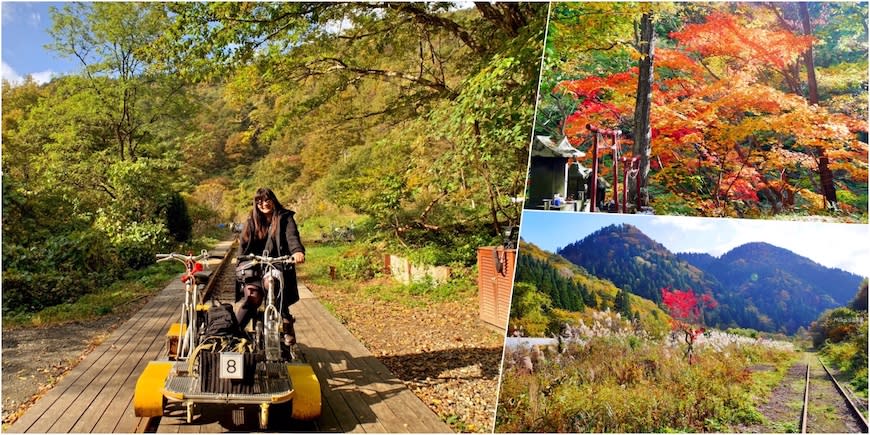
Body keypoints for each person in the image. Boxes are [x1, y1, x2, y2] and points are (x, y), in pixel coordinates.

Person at [236, 187, 306, 354]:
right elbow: (243, 245)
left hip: (276, 264)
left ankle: (285, 319)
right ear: (256, 204)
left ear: (273, 200)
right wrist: (241, 262)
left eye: (267, 200)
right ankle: (233, 331)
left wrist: (297, 251)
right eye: (259, 201)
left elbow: (292, 236)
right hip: (254, 265)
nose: (264, 204)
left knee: (272, 284)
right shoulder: (252, 220)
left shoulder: (285, 218)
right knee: (253, 297)